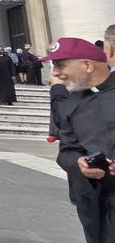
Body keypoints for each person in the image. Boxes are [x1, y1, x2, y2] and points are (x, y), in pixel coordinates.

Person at [42, 37, 115, 243]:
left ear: (88, 65)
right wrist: (79, 163)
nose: (55, 73)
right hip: (94, 200)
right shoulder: (70, 105)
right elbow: (66, 152)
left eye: (60, 65)